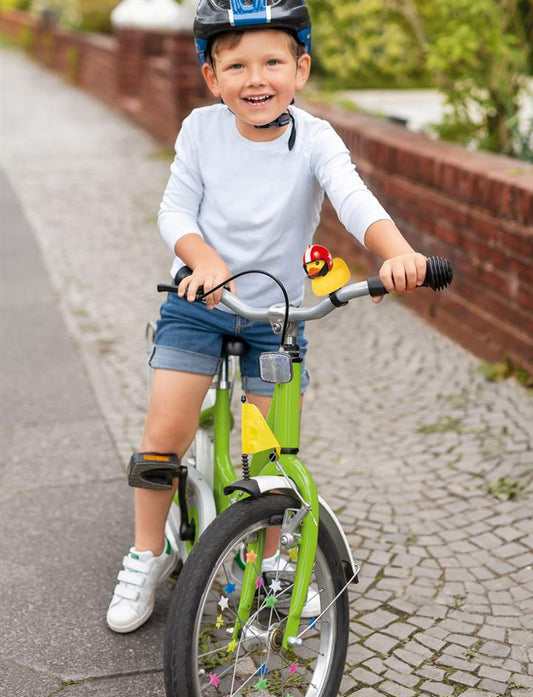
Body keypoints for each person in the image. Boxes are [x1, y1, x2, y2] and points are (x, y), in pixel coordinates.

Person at [106, 0, 427, 633]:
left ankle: (273, 563)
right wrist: (203, 259)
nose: (256, 79)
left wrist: (398, 255)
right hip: (200, 305)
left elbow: (354, 199)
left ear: (300, 70)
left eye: (273, 62)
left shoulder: (316, 139)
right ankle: (148, 553)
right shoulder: (200, 131)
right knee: (162, 441)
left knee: (272, 455)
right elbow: (175, 212)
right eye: (237, 66)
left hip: (275, 318)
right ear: (212, 77)